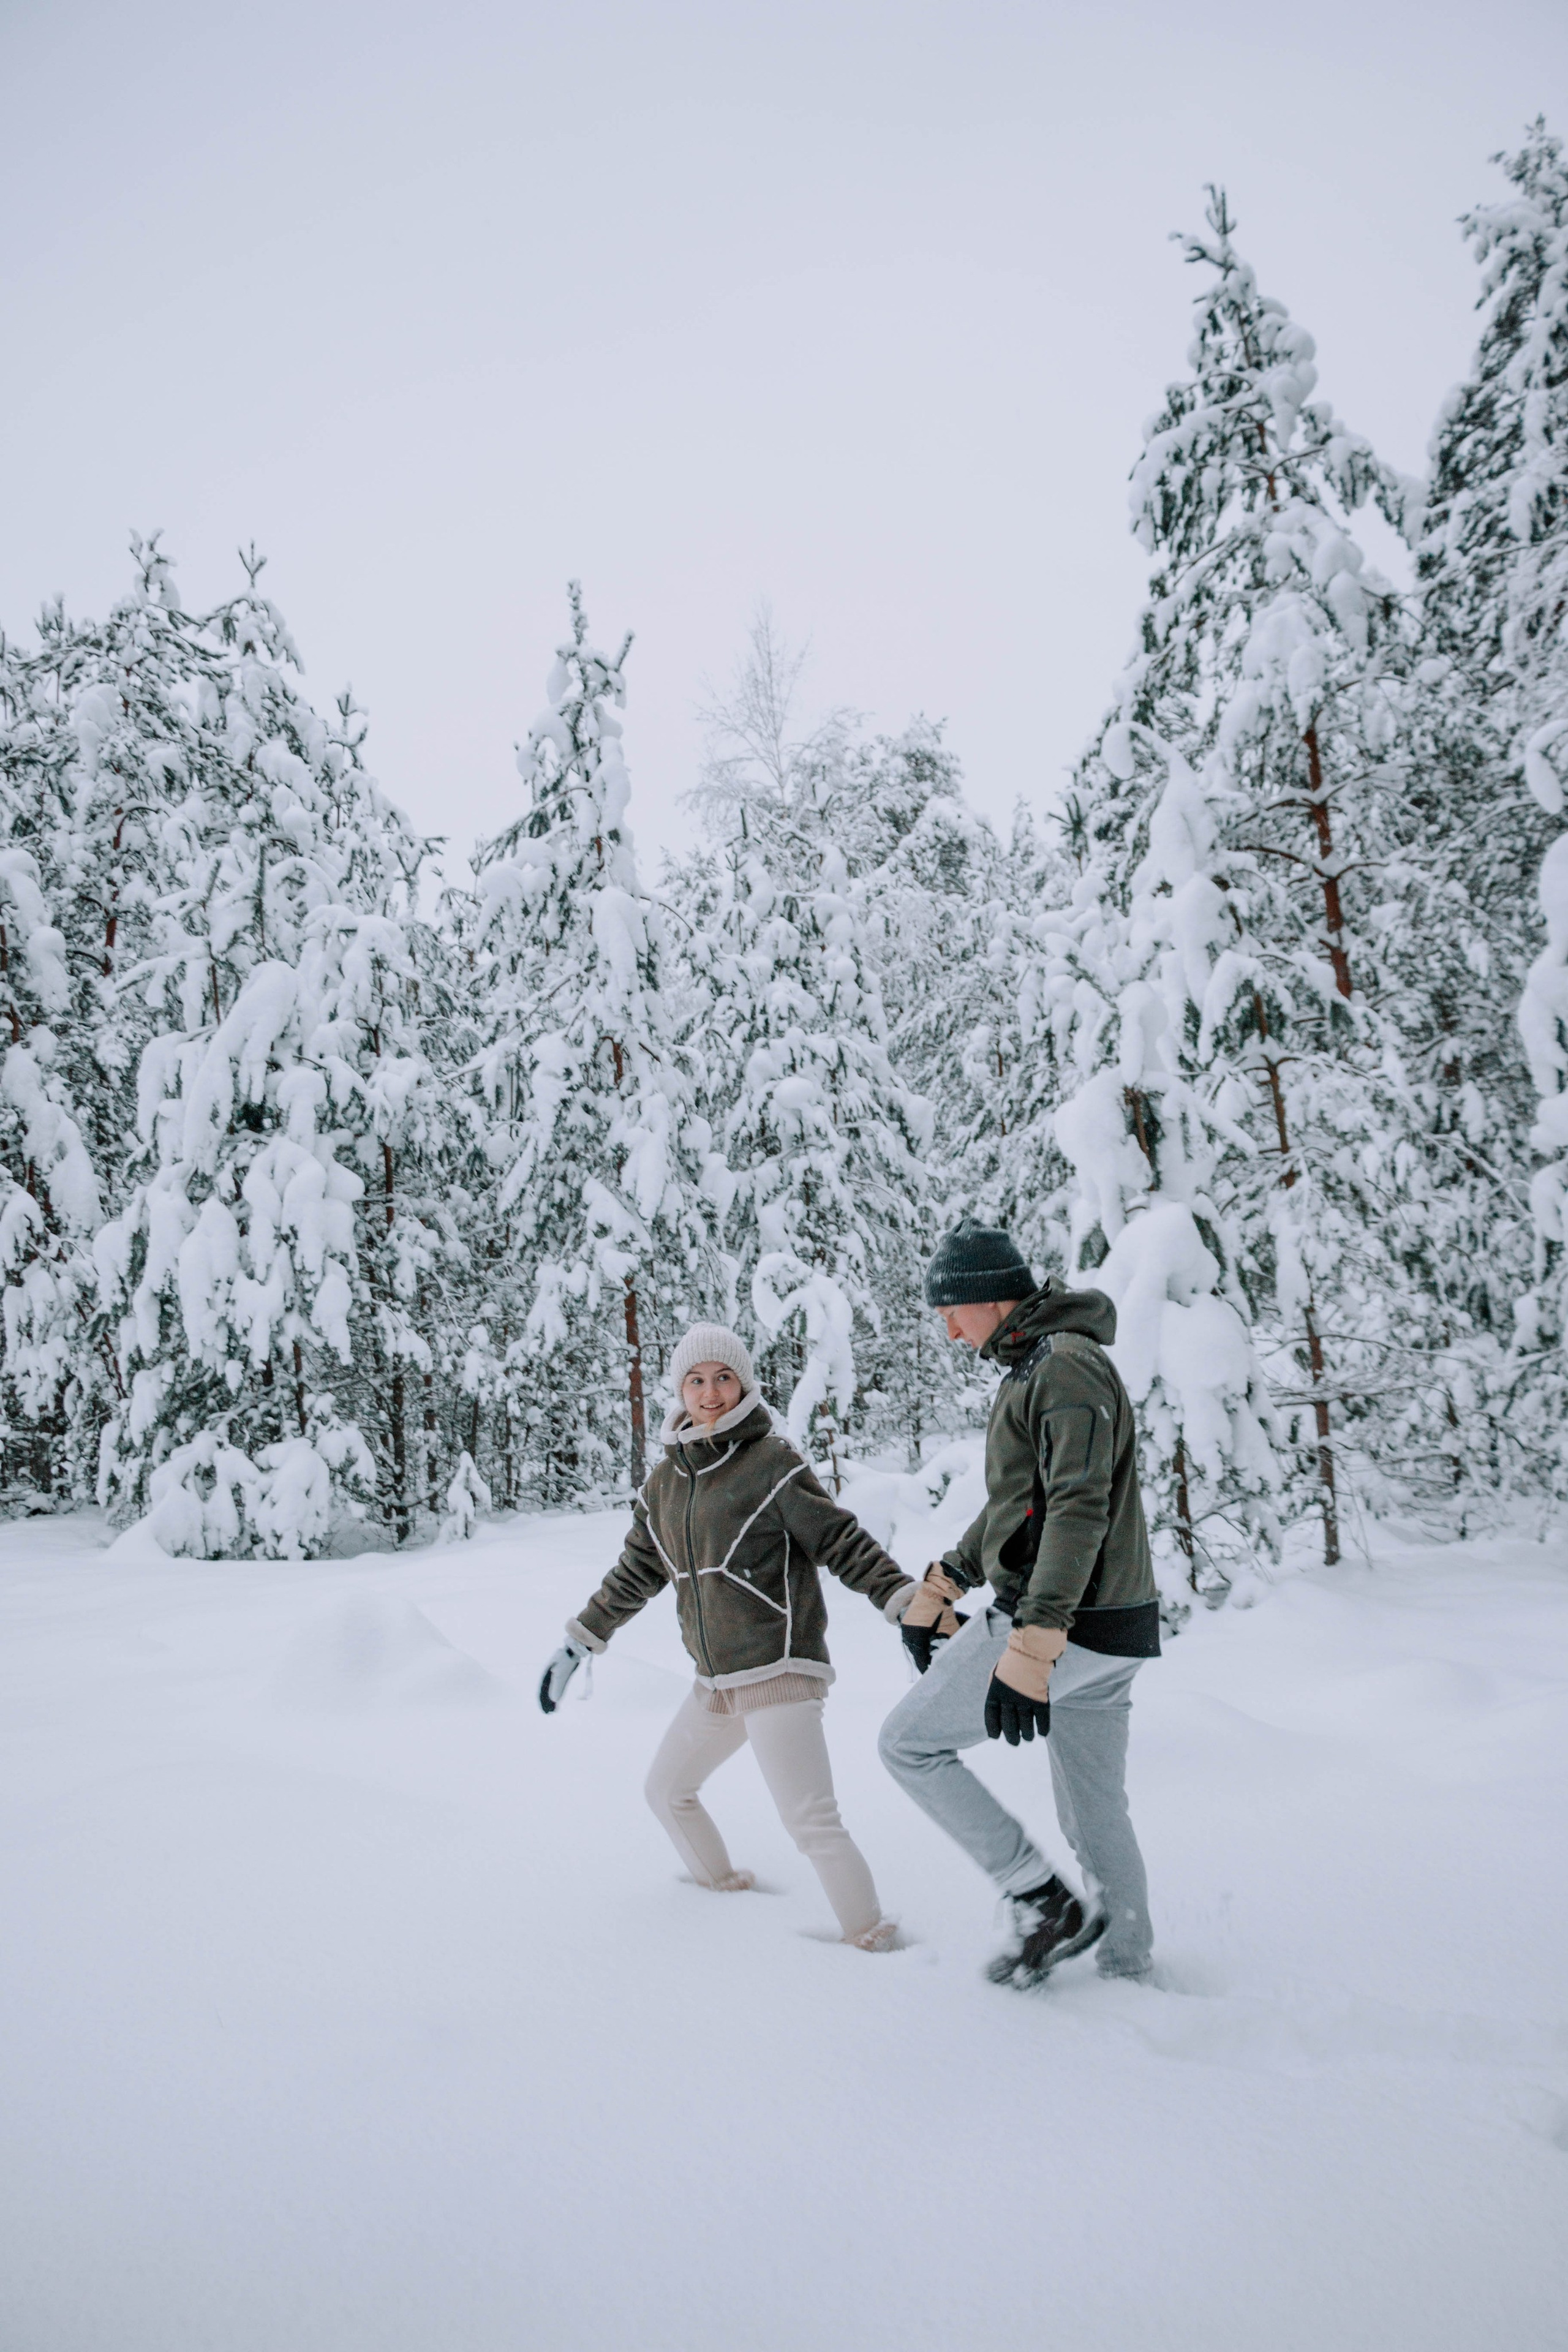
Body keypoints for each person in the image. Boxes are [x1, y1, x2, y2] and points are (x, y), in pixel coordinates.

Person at [538, 1322, 917, 1951]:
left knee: (810, 1820)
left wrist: (902, 1600)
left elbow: (839, 1539)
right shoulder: (665, 1483)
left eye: (722, 1378)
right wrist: (581, 1641)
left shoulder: (771, 1462)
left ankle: (870, 1937)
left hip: (777, 1670)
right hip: (716, 1681)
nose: (709, 1393)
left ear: (742, 1384)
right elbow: (636, 1570)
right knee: (667, 1791)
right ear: (679, 1390)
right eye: (696, 1380)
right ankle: (719, 1897)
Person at [879, 1218, 1161, 1988]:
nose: (946, 1324)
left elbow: (1077, 1509)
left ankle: (1043, 1903)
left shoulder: (1062, 1370)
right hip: (1112, 1629)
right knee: (1093, 1812)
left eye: (951, 1308)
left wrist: (1033, 1647)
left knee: (908, 1745)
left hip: (1065, 1621)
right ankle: (1128, 1974)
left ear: (991, 1299)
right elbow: (1022, 1507)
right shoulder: (1042, 1366)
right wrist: (945, 1582)